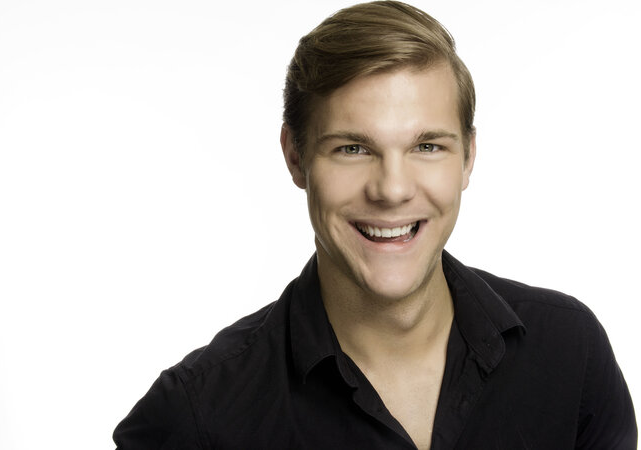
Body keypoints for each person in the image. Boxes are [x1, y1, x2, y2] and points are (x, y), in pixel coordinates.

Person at [113, 1, 637, 448]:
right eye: (352, 148)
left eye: (427, 146)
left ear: (468, 157)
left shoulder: (571, 352)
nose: (392, 189)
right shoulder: (196, 416)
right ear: (295, 157)